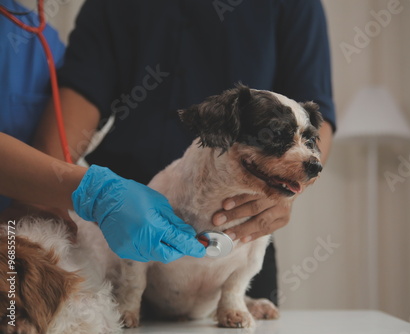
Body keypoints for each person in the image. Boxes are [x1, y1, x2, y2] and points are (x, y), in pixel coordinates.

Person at [34, 0, 336, 305]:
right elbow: (80, 96)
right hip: (123, 223)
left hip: (242, 229)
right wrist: (45, 196)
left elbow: (313, 116)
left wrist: (288, 188)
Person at [0, 0, 206, 263]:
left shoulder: (37, 39)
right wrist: (91, 192)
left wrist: (50, 191)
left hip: (173, 238)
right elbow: (86, 85)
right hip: (23, 247)